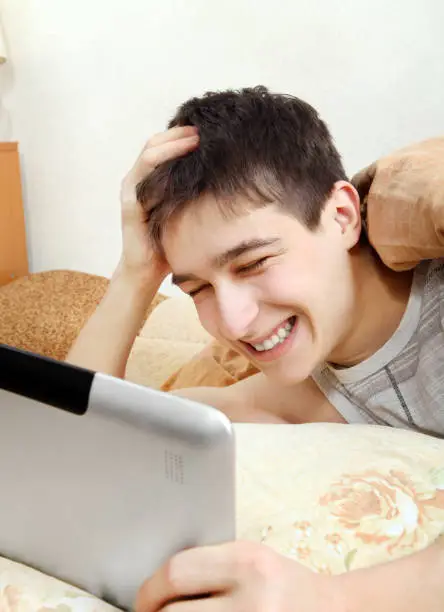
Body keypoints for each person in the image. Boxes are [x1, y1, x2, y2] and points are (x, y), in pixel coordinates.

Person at [67, 87, 444, 611]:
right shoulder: (293, 395)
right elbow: (80, 442)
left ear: (341, 215)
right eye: (198, 288)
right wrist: (135, 275)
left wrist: (330, 601)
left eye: (253, 263)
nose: (234, 321)